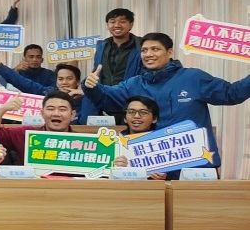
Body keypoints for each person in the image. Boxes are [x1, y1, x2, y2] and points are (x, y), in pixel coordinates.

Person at [82, 32, 250, 170]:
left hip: (196, 165)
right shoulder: (134, 83)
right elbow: (107, 98)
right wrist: (91, 86)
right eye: (144, 50)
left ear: (169, 52)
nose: (149, 54)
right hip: (151, 166)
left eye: (155, 49)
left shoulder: (193, 77)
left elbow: (232, 93)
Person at [0, 55, 100, 123]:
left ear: (77, 82)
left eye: (69, 79)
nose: (64, 82)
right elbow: (22, 81)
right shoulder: (47, 93)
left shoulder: (87, 98)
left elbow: (86, 122)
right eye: (60, 79)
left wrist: (87, 94)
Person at [0, 89, 78, 164]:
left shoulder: (82, 142)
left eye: (62, 109)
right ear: (42, 113)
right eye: (51, 109)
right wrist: (2, 109)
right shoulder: (26, 134)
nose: (56, 113)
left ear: (72, 115)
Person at [112, 95, 168, 181]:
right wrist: (113, 169)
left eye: (143, 112)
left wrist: (165, 176)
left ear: (154, 119)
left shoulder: (165, 143)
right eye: (131, 112)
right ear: (125, 118)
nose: (136, 116)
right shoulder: (114, 142)